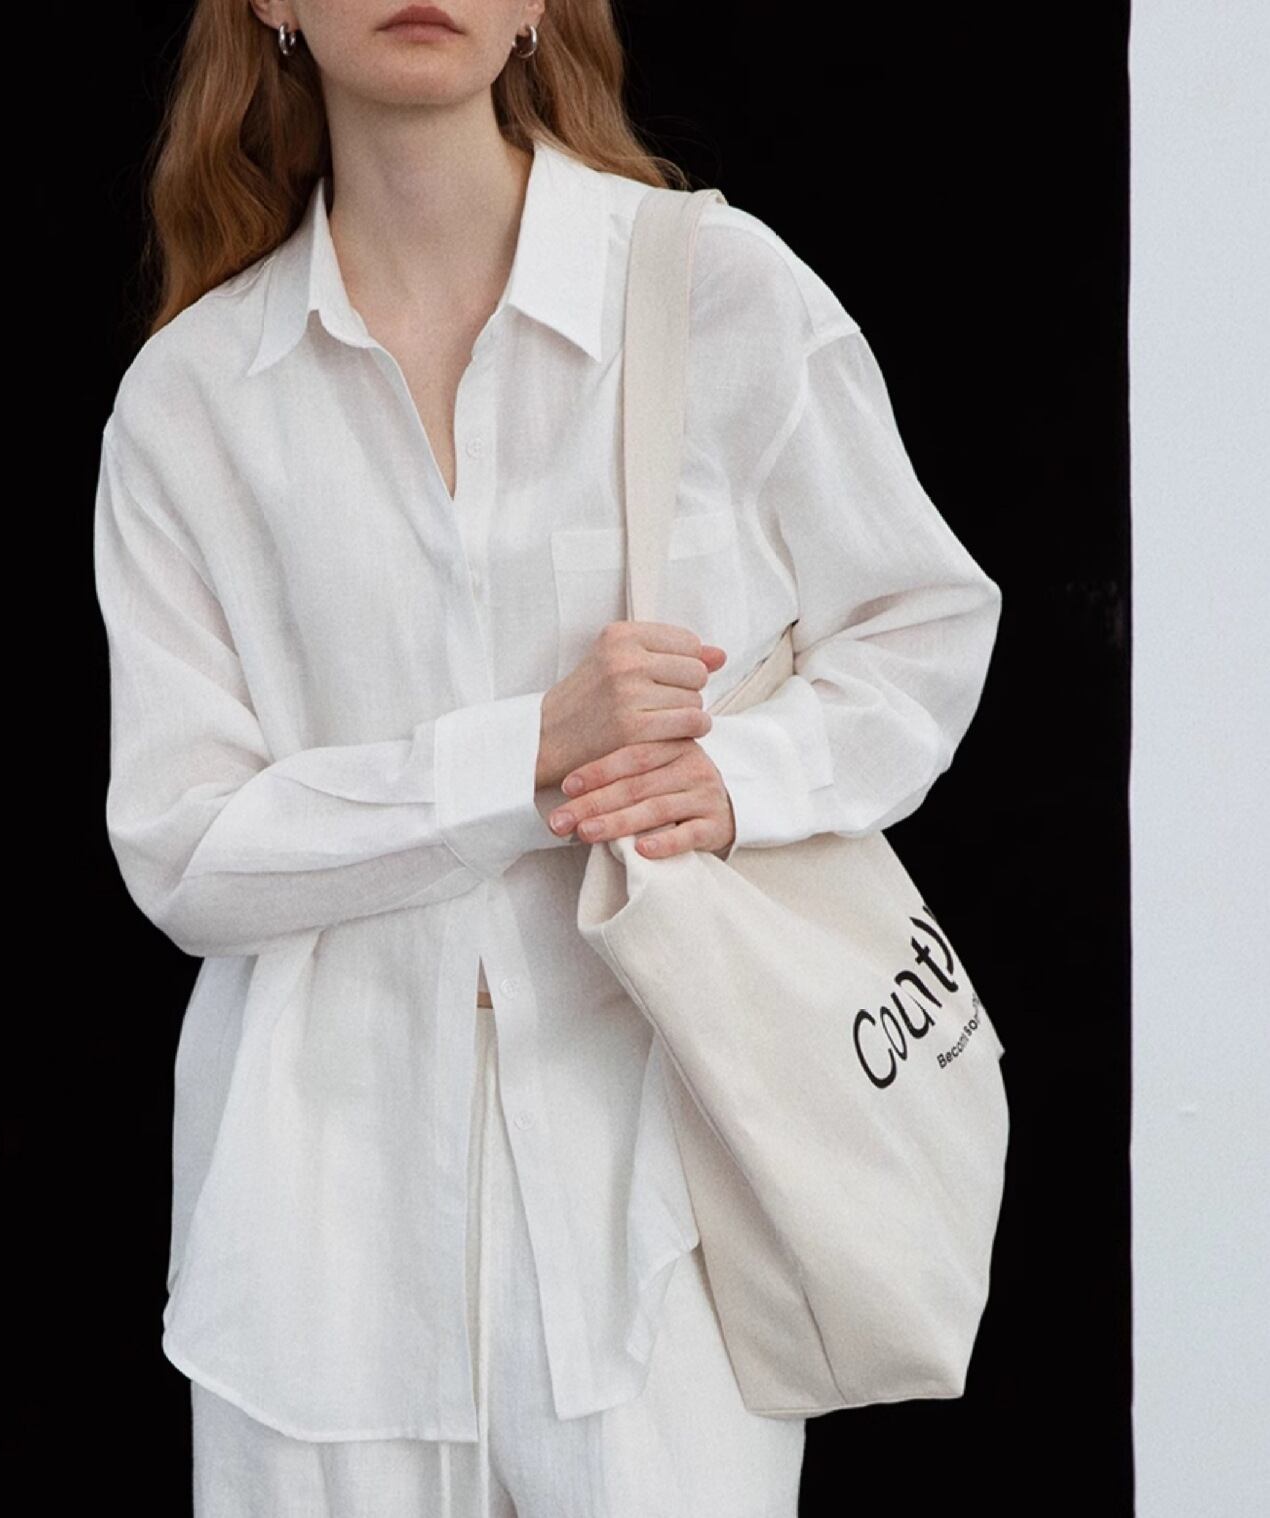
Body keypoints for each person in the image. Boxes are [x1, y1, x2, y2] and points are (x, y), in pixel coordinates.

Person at [91, 2, 1003, 1514]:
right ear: (272, 7)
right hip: (316, 1248)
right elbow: (185, 848)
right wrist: (524, 755)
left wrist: (745, 780)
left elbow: (920, 620)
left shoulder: (713, 290)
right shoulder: (193, 402)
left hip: (662, 1205)